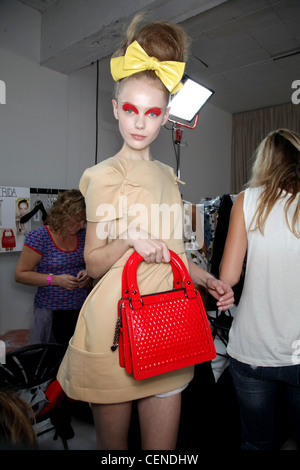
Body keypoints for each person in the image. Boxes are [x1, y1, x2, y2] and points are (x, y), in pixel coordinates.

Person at [57, 14, 234, 451]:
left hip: (169, 324)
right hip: (116, 326)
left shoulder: (168, 176)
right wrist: (129, 238)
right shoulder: (100, 174)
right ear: (116, 109)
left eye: (151, 112)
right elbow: (93, 263)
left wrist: (208, 280)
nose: (139, 123)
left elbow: (174, 253)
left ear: (165, 116)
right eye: (131, 110)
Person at [219, 129, 300, 450]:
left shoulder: (247, 200)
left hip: (252, 349)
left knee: (256, 442)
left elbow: (227, 275)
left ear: (265, 162)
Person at [15, 189, 90, 346]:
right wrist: (54, 280)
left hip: (80, 309)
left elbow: (90, 264)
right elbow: (21, 274)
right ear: (63, 215)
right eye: (77, 220)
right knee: (53, 361)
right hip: (50, 312)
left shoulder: (83, 236)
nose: (81, 225)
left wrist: (87, 274)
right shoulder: (39, 237)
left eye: (84, 220)